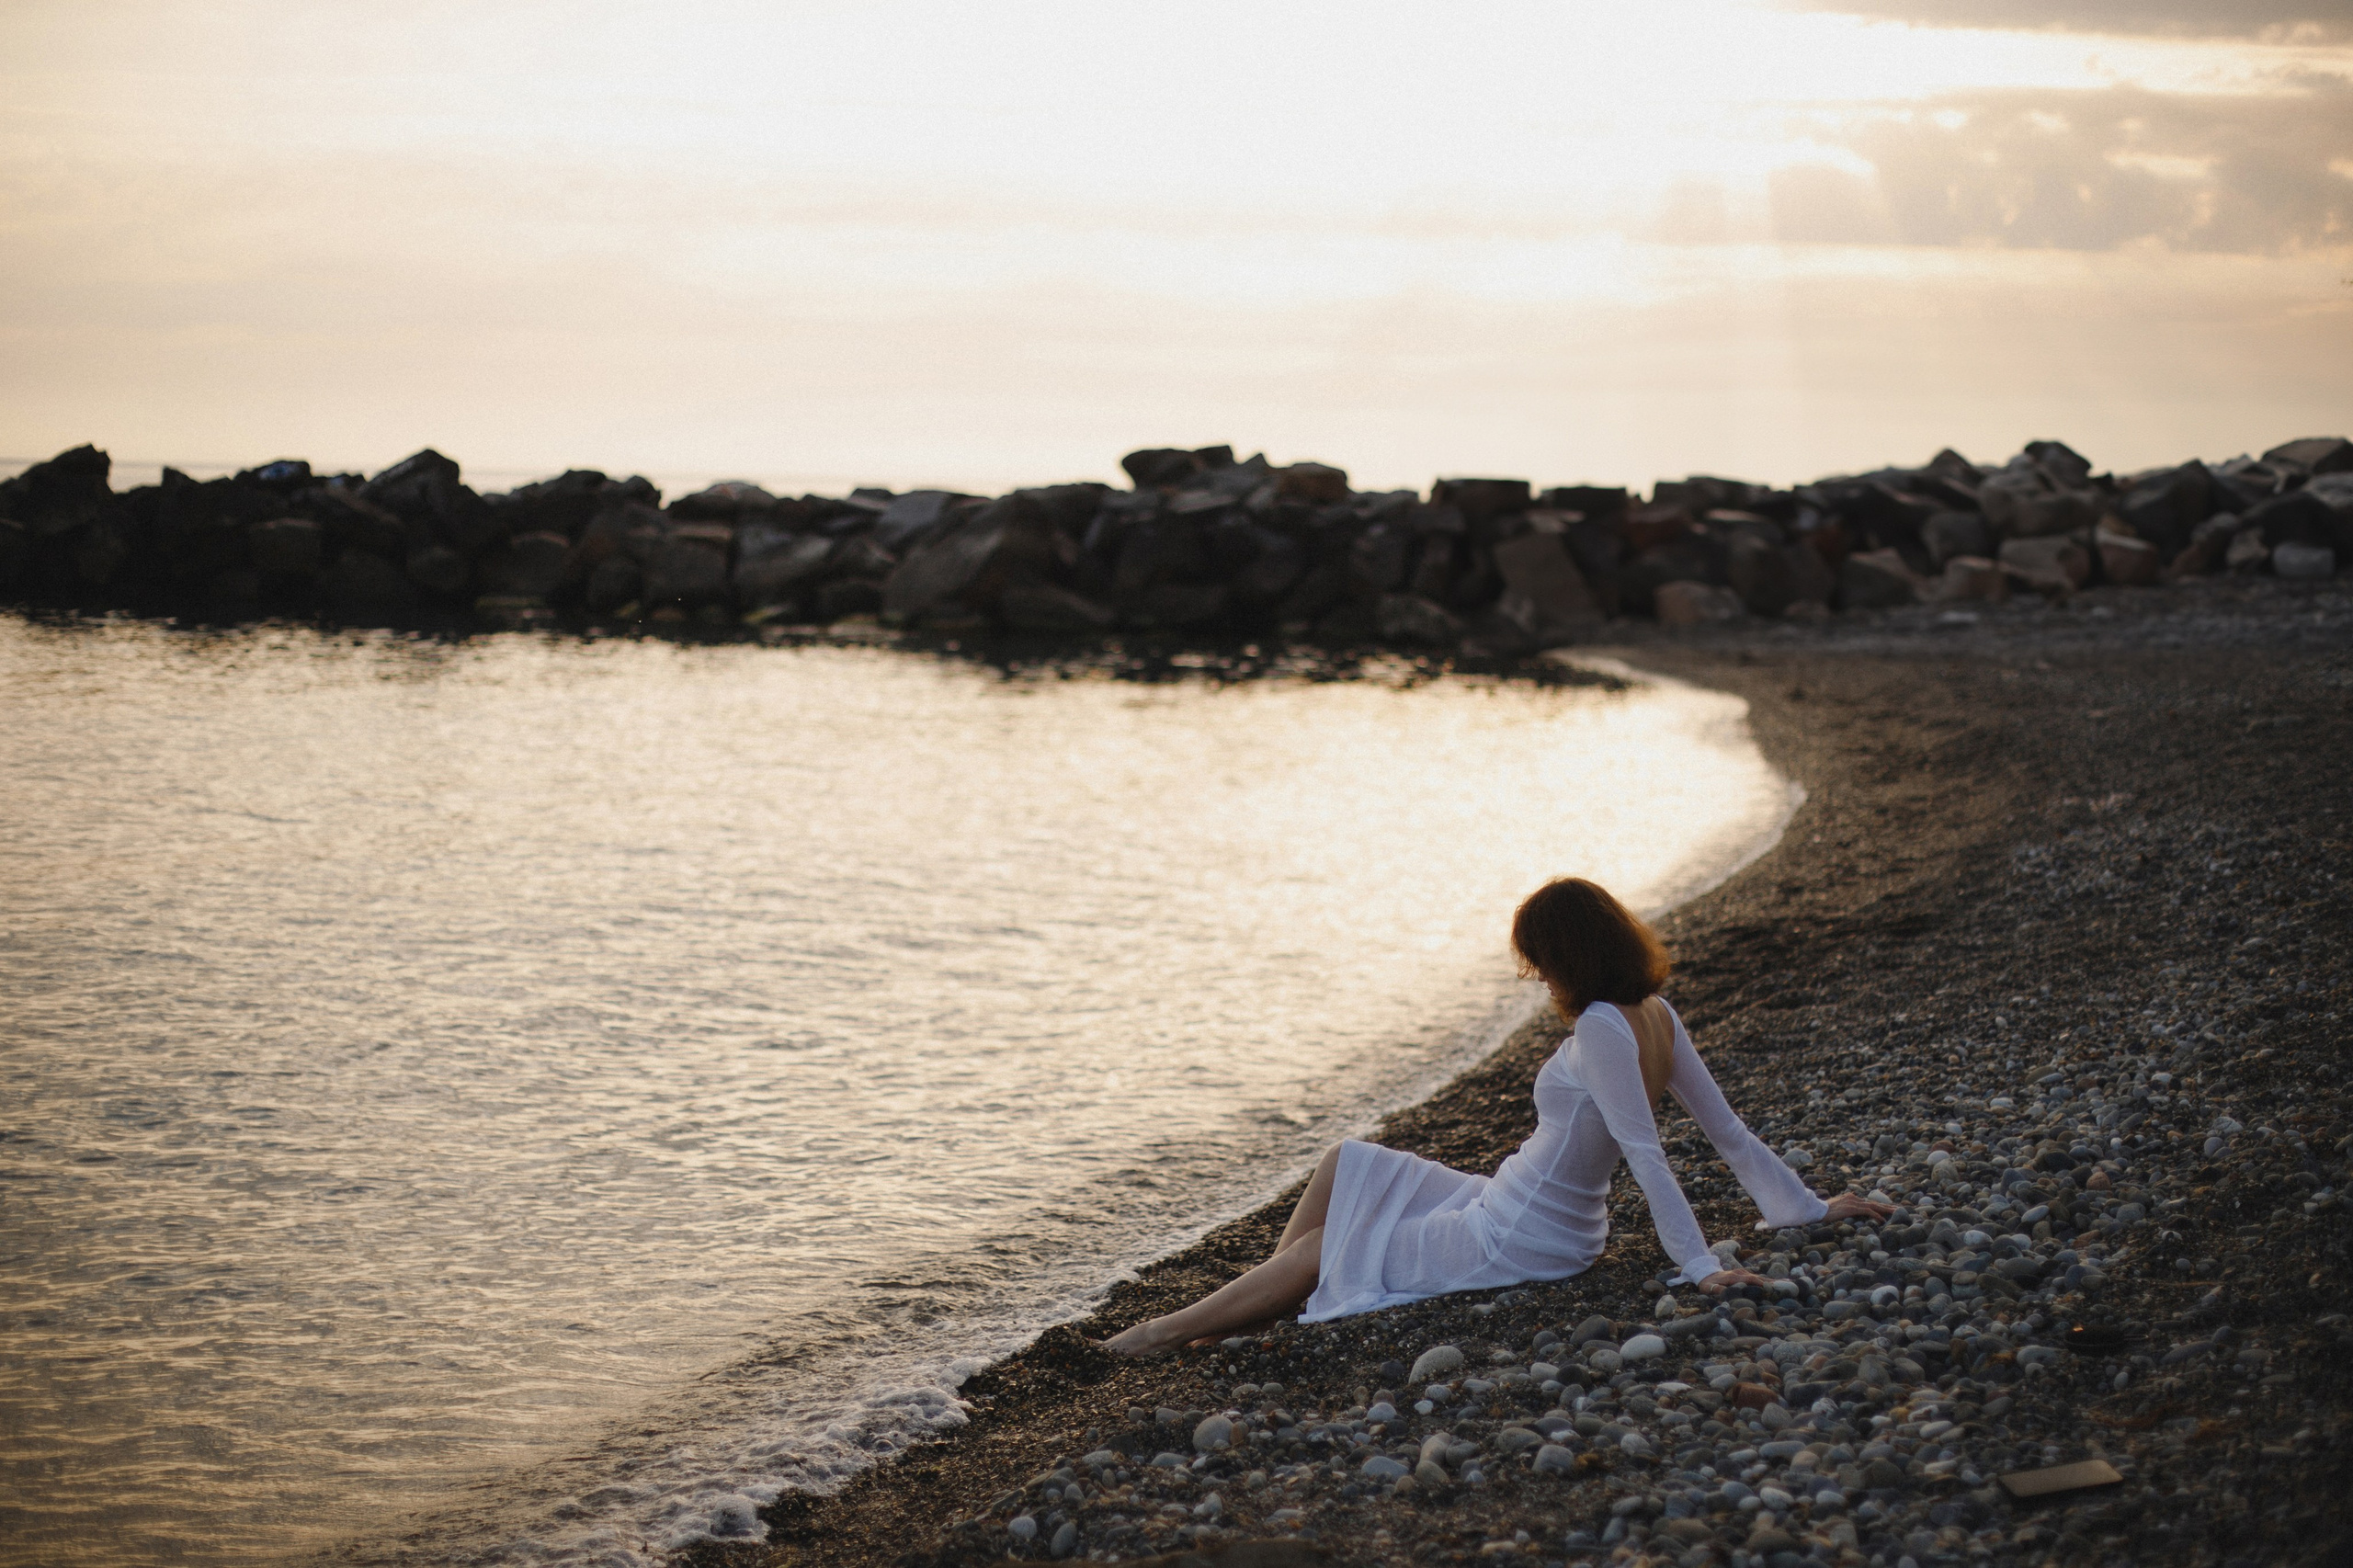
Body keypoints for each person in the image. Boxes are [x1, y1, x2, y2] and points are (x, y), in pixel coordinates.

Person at [1101, 877, 1891, 1356]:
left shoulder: (1604, 1029)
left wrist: (1700, 1266)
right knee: (1347, 1161)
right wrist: (1806, 1208)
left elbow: (1650, 1153)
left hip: (1518, 1235)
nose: (1535, 976)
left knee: (1318, 1248)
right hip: (1509, 1199)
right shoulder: (1653, 1010)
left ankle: (1161, 1332)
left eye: (1539, 960)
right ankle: (1263, 1303)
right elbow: (1729, 1132)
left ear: (1564, 957)